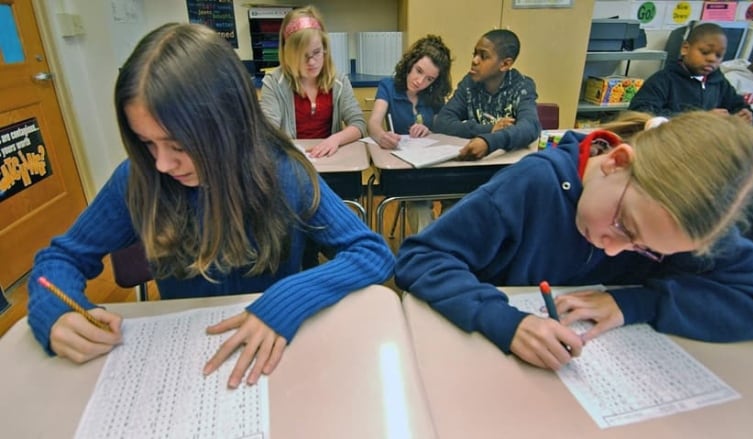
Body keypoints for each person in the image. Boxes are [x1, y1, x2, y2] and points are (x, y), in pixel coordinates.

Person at [26, 23, 394, 389]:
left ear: (230, 125)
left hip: (275, 360)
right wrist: (55, 311)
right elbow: (58, 260)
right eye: (147, 143)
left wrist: (286, 299)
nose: (162, 164)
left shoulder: (284, 172)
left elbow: (372, 252)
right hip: (182, 360)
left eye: (180, 146)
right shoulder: (139, 179)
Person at [395, 110, 753, 371]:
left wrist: (639, 302)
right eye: (624, 225)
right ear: (617, 162)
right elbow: (421, 257)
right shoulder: (533, 185)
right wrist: (503, 320)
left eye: (646, 250)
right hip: (492, 369)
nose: (612, 249)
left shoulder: (688, 223)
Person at [368, 34, 453, 232]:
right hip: (406, 171)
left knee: (457, 199)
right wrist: (382, 136)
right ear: (410, 63)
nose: (419, 81)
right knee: (419, 204)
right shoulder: (388, 86)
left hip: (434, 168)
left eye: (429, 79)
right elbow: (373, 122)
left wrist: (430, 130)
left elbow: (447, 128)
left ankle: (444, 246)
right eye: (418, 71)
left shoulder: (435, 95)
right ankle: (430, 251)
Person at [260, 5, 366, 158]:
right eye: (303, 56)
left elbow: (359, 124)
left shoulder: (339, 81)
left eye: (316, 52)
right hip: (293, 160)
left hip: (329, 159)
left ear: (325, 48)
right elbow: (267, 131)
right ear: (288, 54)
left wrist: (335, 140)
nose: (312, 62)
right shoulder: (274, 83)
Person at [433, 29, 541, 160]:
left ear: (505, 64)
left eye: (483, 56)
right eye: (475, 54)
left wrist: (489, 142)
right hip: (476, 164)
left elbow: (530, 127)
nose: (474, 60)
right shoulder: (469, 84)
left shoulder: (522, 86)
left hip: (509, 164)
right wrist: (488, 130)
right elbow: (442, 122)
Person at [629, 22, 753, 124]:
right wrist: (698, 119)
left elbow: (737, 105)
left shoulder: (718, 82)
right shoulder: (663, 81)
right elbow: (640, 115)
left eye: (719, 55)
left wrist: (745, 115)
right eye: (705, 52)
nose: (712, 59)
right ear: (685, 49)